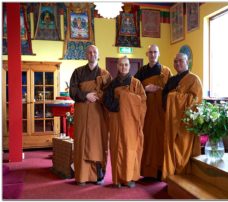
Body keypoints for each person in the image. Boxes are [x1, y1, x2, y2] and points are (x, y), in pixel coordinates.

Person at [69, 45, 111, 186]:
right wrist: (86, 95)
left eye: (94, 52)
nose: (92, 54)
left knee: (97, 143)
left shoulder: (105, 74)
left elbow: (109, 93)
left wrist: (97, 96)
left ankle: (98, 175)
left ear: (97, 55)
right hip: (82, 112)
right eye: (89, 52)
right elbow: (72, 91)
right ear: (86, 55)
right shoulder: (78, 72)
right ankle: (81, 176)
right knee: (81, 142)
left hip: (97, 114)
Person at [103, 56, 147, 188]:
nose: (123, 67)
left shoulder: (136, 83)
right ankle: (117, 179)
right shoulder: (112, 84)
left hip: (131, 122)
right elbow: (107, 101)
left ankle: (129, 177)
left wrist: (123, 97)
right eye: (121, 65)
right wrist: (122, 103)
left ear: (129, 66)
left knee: (129, 148)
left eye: (126, 65)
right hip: (116, 119)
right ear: (117, 66)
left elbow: (142, 101)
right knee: (116, 148)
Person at [161, 53, 202, 181]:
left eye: (180, 61)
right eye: (175, 61)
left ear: (187, 62)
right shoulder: (172, 79)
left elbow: (196, 100)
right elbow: (165, 96)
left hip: (186, 122)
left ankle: (184, 175)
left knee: (182, 148)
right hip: (171, 120)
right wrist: (171, 97)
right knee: (170, 147)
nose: (177, 63)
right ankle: (171, 175)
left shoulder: (194, 79)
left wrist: (174, 97)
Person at [135, 44, 172, 181]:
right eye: (150, 52)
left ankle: (159, 169)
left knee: (159, 139)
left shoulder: (166, 71)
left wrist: (158, 88)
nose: (152, 54)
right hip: (145, 112)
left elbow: (171, 91)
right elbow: (133, 88)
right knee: (146, 138)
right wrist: (145, 88)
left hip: (160, 112)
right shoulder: (141, 72)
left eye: (155, 52)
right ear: (146, 54)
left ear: (159, 53)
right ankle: (146, 170)